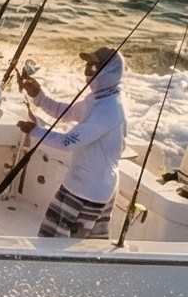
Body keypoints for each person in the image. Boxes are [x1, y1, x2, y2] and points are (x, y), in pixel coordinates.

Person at [16, 46, 126, 239]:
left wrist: (34, 131)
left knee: (58, 248)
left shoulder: (108, 110)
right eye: (87, 65)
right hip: (78, 185)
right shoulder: (98, 99)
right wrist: (38, 96)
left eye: (93, 67)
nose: (87, 71)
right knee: (54, 243)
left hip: (88, 193)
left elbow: (68, 142)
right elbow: (65, 113)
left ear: (109, 72)